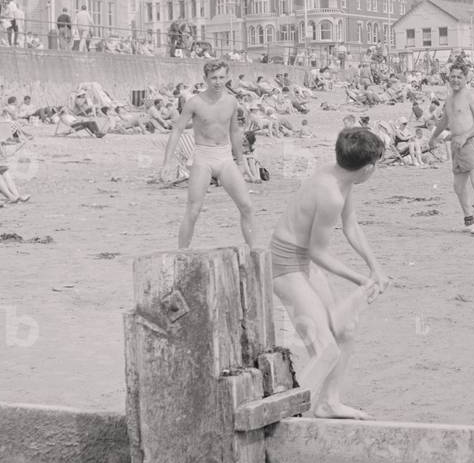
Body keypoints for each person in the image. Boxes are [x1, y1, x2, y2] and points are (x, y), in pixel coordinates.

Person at [269, 126, 387, 419]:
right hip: (285, 267)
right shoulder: (330, 193)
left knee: (345, 330)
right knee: (325, 351)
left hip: (302, 263)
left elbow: (351, 225)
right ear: (368, 169)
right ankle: (278, 416)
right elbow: (317, 253)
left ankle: (328, 403)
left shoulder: (341, 177)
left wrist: (375, 267)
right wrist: (359, 279)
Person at [160, 60, 256, 249]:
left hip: (225, 157)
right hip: (203, 157)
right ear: (205, 79)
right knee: (193, 210)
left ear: (227, 77)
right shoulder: (195, 103)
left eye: (221, 77)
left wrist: (241, 161)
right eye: (213, 78)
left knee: (247, 206)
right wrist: (166, 163)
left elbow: (235, 132)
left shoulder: (231, 101)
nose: (218, 82)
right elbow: (177, 130)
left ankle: (254, 252)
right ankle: (183, 254)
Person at [428, 64, 474, 233]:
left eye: (459, 77)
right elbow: (445, 120)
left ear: (466, 78)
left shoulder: (470, 97)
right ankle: (469, 221)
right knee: (458, 186)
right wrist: (434, 136)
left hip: (472, 142)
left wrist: (465, 135)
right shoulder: (449, 99)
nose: (455, 80)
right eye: (453, 76)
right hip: (456, 145)